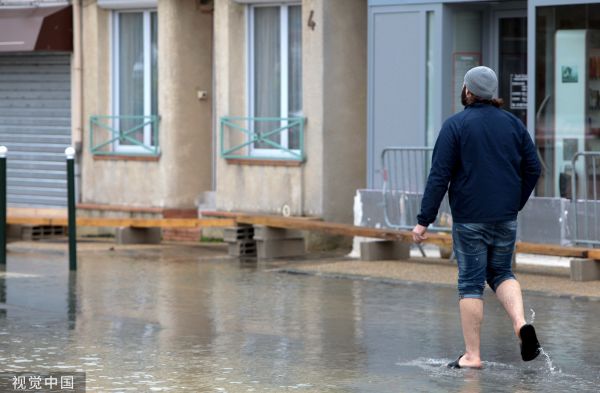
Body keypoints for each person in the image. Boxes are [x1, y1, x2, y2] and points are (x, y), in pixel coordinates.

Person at [411, 66, 542, 369]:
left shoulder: (455, 125)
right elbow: (534, 167)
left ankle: (472, 356)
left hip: (470, 218)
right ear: (492, 94)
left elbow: (439, 176)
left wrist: (423, 220)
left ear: (468, 91)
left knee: (471, 283)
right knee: (502, 273)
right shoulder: (513, 124)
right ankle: (521, 324)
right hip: (505, 216)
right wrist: (515, 203)